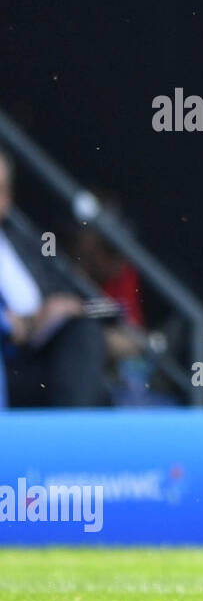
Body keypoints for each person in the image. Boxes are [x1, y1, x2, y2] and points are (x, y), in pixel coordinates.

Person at [0, 150, 107, 408]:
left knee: (84, 333)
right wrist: (28, 323)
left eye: (2, 189)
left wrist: (63, 309)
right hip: (9, 361)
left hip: (48, 358)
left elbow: (72, 292)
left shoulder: (21, 242)